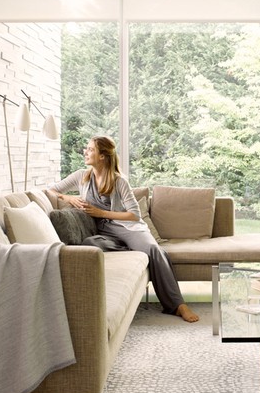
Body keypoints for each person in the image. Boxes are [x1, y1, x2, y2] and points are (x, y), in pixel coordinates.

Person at [47, 136, 199, 323]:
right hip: (103, 231)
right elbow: (51, 190)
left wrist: (100, 213)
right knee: (89, 243)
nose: (85, 152)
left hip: (128, 228)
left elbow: (134, 215)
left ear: (102, 156)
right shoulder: (81, 176)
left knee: (152, 249)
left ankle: (177, 305)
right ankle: (133, 247)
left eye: (90, 149)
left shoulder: (119, 181)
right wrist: (68, 199)